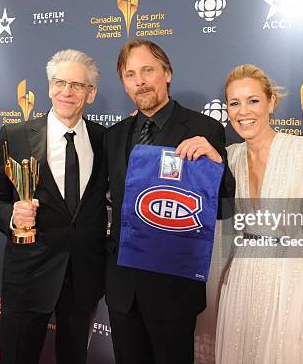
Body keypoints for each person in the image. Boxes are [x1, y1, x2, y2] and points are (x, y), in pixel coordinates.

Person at [104, 39, 235, 364]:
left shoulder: (204, 129)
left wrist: (216, 164)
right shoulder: (114, 136)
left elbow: (223, 208)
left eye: (148, 70)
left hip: (173, 291)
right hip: (123, 291)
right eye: (130, 74)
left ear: (167, 74)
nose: (140, 81)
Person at [0, 49, 108, 364]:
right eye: (60, 82)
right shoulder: (15, 135)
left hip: (83, 277)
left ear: (90, 94)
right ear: (50, 86)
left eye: (77, 85)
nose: (67, 91)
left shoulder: (104, 139)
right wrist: (12, 214)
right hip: (28, 273)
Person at [215, 64, 303, 363]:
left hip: (290, 283)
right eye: (234, 103)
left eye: (253, 101)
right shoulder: (230, 156)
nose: (243, 111)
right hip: (241, 279)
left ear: (271, 102)